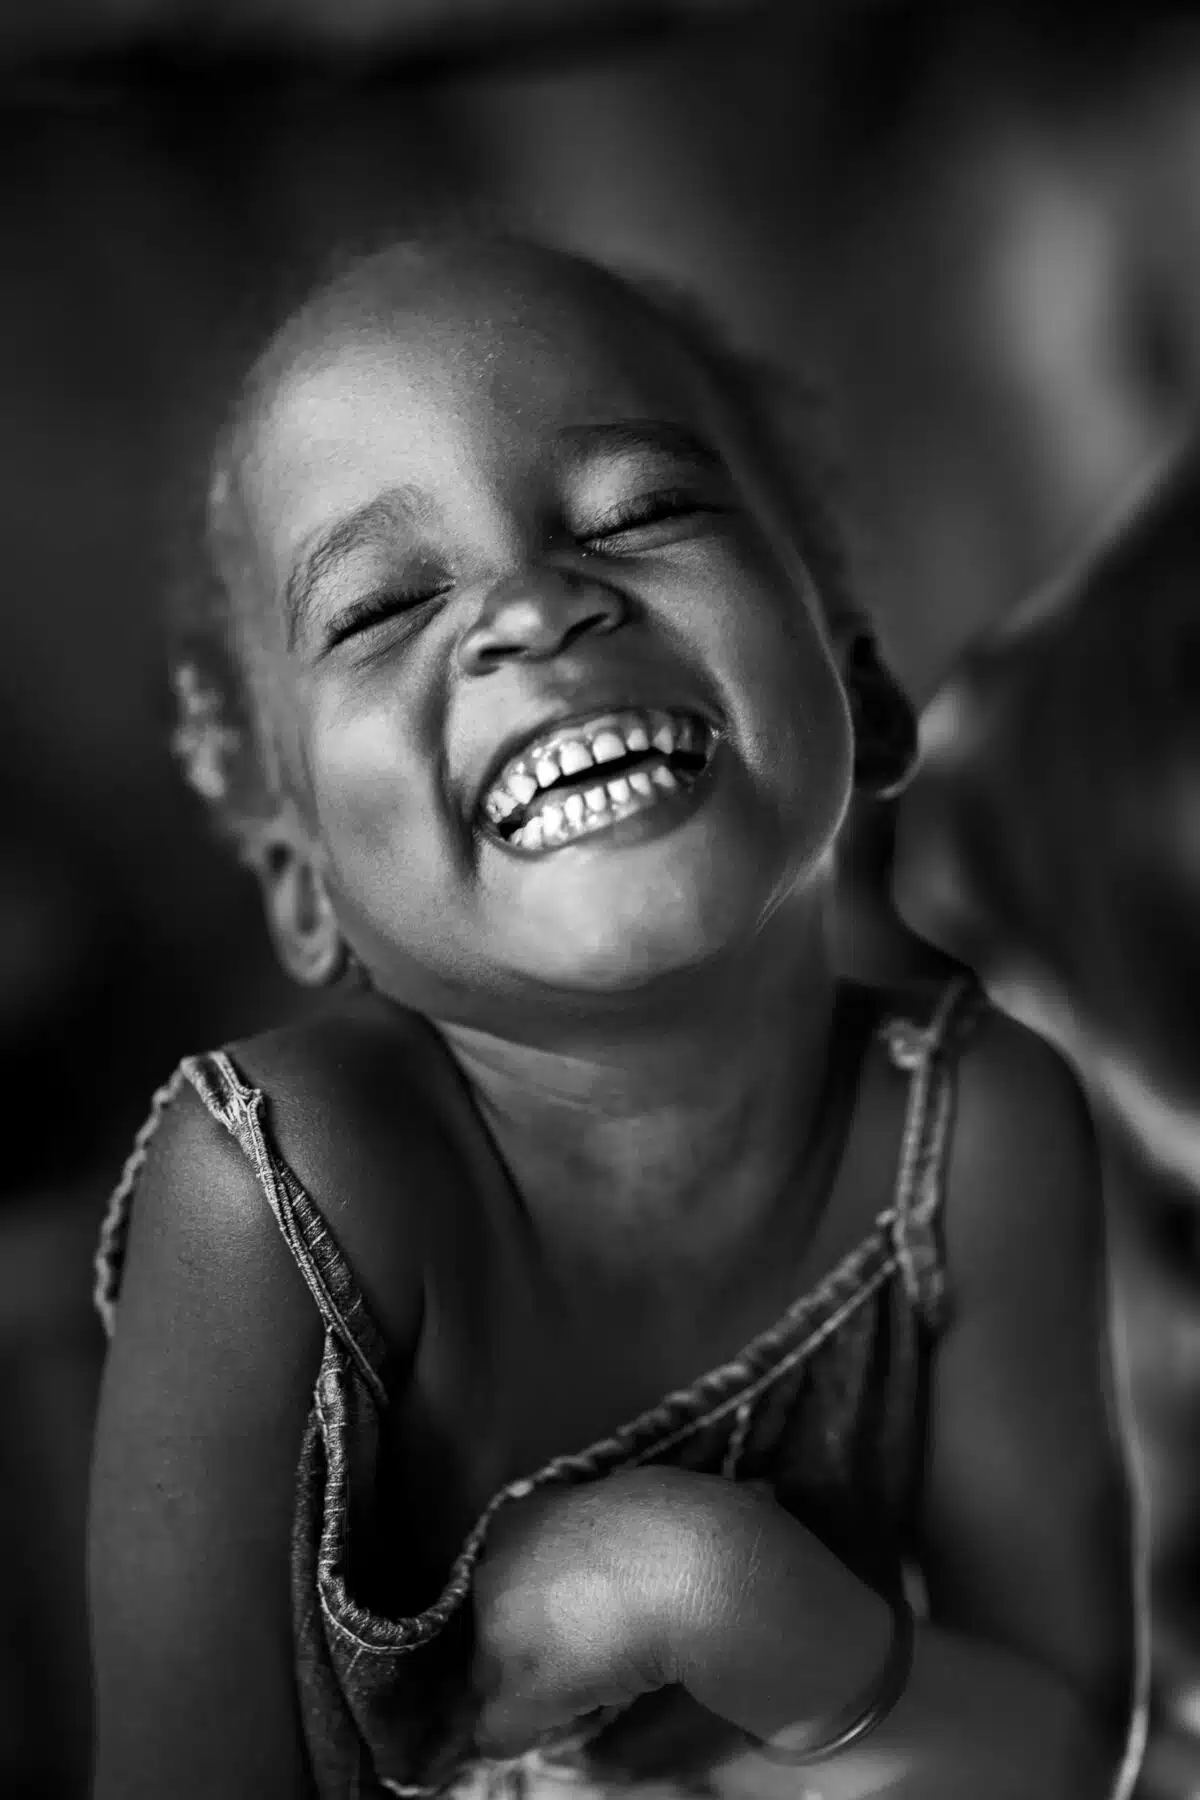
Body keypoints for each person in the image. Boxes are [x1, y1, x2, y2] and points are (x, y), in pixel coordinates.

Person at [87, 232, 1136, 1800]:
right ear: (302, 873)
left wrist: (711, 1589)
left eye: (644, 512)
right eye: (379, 608)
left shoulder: (975, 1132)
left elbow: (1066, 1759)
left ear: (855, 669)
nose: (529, 608)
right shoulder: (278, 1196)